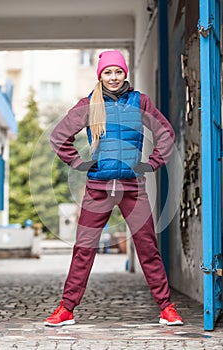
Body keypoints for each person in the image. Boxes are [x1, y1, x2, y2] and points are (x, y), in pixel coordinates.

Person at [44, 50, 184, 327]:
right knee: (84, 249)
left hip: (133, 187)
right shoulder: (88, 105)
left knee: (147, 247)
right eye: (107, 72)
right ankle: (66, 309)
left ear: (125, 73)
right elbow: (59, 137)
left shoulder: (140, 101)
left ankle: (167, 308)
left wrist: (152, 163)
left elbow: (165, 133)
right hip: (98, 187)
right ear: (100, 75)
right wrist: (80, 163)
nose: (113, 77)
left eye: (118, 72)